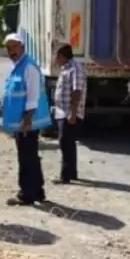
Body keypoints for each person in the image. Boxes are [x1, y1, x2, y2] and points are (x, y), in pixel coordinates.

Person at [1, 33, 51, 205]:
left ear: (22, 47)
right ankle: (37, 191)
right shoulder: (18, 66)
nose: (11, 51)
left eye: (14, 47)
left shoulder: (28, 66)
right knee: (30, 156)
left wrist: (27, 119)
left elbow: (32, 95)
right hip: (22, 122)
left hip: (27, 122)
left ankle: (26, 194)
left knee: (26, 157)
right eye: (8, 48)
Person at [51, 44, 86, 184]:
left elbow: (77, 91)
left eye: (56, 56)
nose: (55, 59)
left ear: (61, 56)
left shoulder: (74, 68)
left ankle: (65, 176)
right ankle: (72, 173)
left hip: (69, 113)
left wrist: (72, 112)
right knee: (69, 143)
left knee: (65, 142)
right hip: (63, 112)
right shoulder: (66, 68)